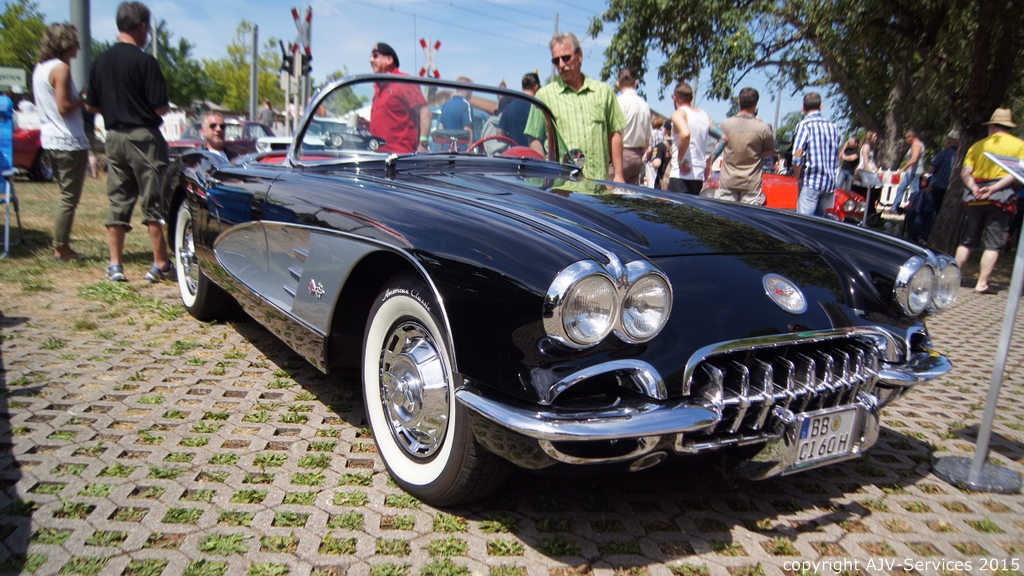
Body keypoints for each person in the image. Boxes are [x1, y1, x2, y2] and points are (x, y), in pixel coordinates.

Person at [85, 1, 173, 284]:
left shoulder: (100, 60)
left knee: (118, 199)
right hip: (144, 138)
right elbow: (161, 107)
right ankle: (160, 263)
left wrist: (116, 107)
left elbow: (91, 105)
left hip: (114, 138)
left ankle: (115, 264)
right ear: (143, 26)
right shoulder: (145, 62)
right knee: (154, 198)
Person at [525, 32, 625, 183]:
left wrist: (618, 175)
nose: (561, 65)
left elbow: (614, 134)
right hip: (560, 188)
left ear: (580, 56)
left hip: (596, 186)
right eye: (556, 61)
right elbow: (534, 137)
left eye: (566, 58)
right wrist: (544, 175)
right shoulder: (544, 96)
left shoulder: (603, 92)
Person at [32, 23, 90, 263]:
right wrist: (83, 97)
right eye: (75, 42)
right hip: (68, 141)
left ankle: (61, 247)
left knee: (65, 196)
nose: (79, 47)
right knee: (69, 198)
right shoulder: (61, 69)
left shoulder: (39, 69)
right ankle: (61, 250)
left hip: (50, 140)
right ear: (65, 43)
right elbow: (64, 107)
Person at [954, 109, 1024, 294]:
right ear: (1009, 127)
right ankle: (982, 283)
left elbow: (965, 173)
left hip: (975, 197)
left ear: (992, 126)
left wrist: (975, 189)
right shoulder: (1020, 145)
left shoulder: (977, 146)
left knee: (967, 241)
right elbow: (1016, 174)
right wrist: (993, 189)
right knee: (994, 243)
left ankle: (953, 277)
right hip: (1001, 198)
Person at [709, 87, 774, 205]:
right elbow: (769, 151)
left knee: (725, 215)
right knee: (748, 216)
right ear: (756, 104)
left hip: (728, 181)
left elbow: (719, 145)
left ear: (739, 101)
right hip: (751, 183)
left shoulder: (725, 124)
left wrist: (710, 162)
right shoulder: (763, 128)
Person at [368, 42, 430, 154]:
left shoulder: (403, 81)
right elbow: (387, 125)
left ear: (389, 60)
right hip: (378, 155)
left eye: (375, 56)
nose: (370, 60)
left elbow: (425, 113)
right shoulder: (378, 88)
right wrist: (366, 124)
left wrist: (423, 144)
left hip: (400, 157)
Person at [792, 92, 841, 217]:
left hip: (811, 181)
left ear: (803, 107)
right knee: (820, 222)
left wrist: (798, 178)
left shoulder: (804, 125)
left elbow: (797, 155)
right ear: (821, 106)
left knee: (804, 222)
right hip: (829, 183)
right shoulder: (834, 126)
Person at [667, 81, 714, 195]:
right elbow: (724, 138)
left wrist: (680, 160)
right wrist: (710, 161)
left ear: (674, 97)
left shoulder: (679, 113)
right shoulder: (705, 116)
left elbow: (685, 133)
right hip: (698, 177)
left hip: (680, 175)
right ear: (691, 98)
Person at [918, 130, 959, 242]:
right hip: (951, 190)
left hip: (938, 187)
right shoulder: (961, 155)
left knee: (930, 212)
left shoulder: (943, 153)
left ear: (949, 141)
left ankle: (923, 235)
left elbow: (931, 170)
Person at [615, 67, 651, 185]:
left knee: (610, 194)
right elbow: (647, 140)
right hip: (637, 158)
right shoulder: (644, 105)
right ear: (635, 83)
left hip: (620, 155)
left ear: (618, 84)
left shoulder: (618, 102)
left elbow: (614, 133)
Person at [498, 72, 539, 147]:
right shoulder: (539, 108)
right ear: (536, 87)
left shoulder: (509, 108)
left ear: (522, 87)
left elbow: (500, 135)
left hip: (515, 153)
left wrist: (512, 140)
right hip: (534, 153)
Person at [891, 129, 926, 212]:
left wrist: (902, 169)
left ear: (911, 137)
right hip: (910, 172)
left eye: (907, 137)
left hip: (915, 172)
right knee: (901, 188)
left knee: (914, 191)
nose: (906, 139)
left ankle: (915, 209)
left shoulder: (917, 146)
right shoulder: (914, 145)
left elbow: (914, 159)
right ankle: (894, 208)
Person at [438, 77, 474, 145]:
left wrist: (440, 149)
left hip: (446, 149)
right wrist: (470, 149)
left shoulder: (446, 104)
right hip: (461, 149)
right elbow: (468, 130)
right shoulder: (466, 105)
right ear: (467, 90)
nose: (472, 92)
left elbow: (441, 129)